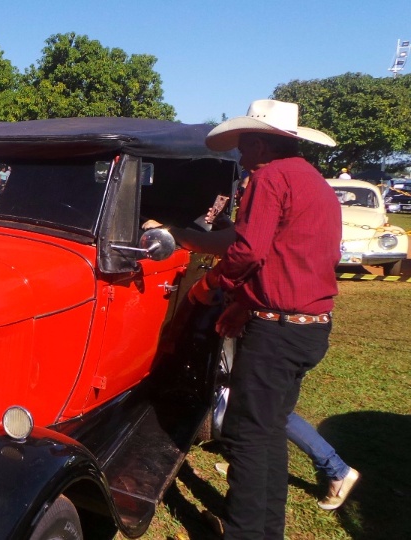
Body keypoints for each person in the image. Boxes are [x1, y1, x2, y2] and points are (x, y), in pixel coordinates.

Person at [189, 99, 348, 539]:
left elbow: (248, 250)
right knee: (268, 431)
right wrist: (245, 301)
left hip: (277, 332)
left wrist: (213, 284)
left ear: (259, 144)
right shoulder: (314, 182)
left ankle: (243, 532)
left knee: (246, 435)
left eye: (243, 147)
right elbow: (287, 256)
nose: (240, 157)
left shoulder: (269, 178)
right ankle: (266, 530)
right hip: (309, 327)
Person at [142, 215, 360, 513]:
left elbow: (233, 246)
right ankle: (244, 469)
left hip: (264, 324)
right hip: (264, 320)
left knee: (264, 410)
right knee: (252, 406)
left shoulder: (268, 213)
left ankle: (336, 468)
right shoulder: (281, 216)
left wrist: (172, 230)